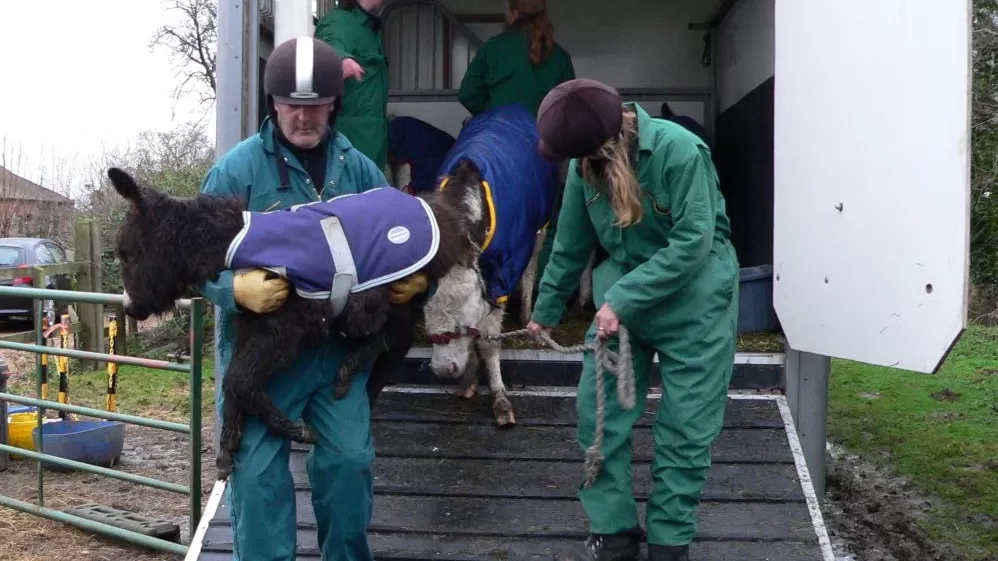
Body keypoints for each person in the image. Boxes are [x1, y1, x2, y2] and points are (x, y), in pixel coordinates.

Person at [199, 36, 429, 561]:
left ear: (333, 106)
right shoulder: (237, 171)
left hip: (335, 356)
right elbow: (186, 260)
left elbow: (398, 242)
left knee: (349, 466)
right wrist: (230, 289)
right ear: (273, 105)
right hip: (262, 360)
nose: (303, 117)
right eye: (291, 106)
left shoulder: (361, 172)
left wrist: (416, 284)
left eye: (315, 106)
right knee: (256, 479)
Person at [527, 78, 739, 561]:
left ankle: (670, 539)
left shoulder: (680, 152)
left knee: (686, 429)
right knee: (597, 415)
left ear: (601, 145)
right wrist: (545, 310)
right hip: (621, 301)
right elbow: (571, 241)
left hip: (695, 298)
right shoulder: (586, 169)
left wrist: (622, 297)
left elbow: (694, 242)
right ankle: (613, 528)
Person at [457, 0, 575, 118]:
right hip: (544, 133)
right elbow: (570, 106)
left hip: (501, 131)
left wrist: (492, 113)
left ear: (514, 13)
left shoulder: (492, 47)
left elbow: (467, 94)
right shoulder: (561, 56)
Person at [314, 0, 389, 173]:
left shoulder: (370, 28)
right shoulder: (339, 21)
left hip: (374, 144)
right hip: (349, 147)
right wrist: (340, 60)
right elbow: (329, 45)